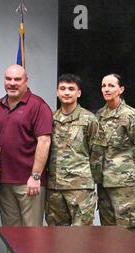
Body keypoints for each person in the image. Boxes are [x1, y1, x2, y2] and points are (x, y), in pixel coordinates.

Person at [0, 64, 53, 253]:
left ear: (26, 80)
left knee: (31, 230)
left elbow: (44, 142)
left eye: (17, 79)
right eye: (8, 79)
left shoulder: (38, 106)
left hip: (30, 181)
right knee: (12, 230)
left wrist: (35, 176)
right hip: (5, 180)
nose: (12, 83)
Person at [96, 73, 135, 236]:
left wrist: (133, 169)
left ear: (121, 89)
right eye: (103, 86)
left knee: (129, 232)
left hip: (126, 185)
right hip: (105, 183)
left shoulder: (131, 116)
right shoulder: (100, 115)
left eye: (111, 86)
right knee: (109, 233)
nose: (106, 89)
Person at [46, 74, 105, 226]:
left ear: (78, 93)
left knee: (81, 237)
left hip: (80, 189)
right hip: (55, 188)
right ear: (57, 92)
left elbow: (97, 154)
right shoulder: (50, 119)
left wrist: (91, 181)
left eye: (71, 89)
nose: (66, 92)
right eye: (63, 89)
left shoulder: (89, 119)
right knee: (56, 237)